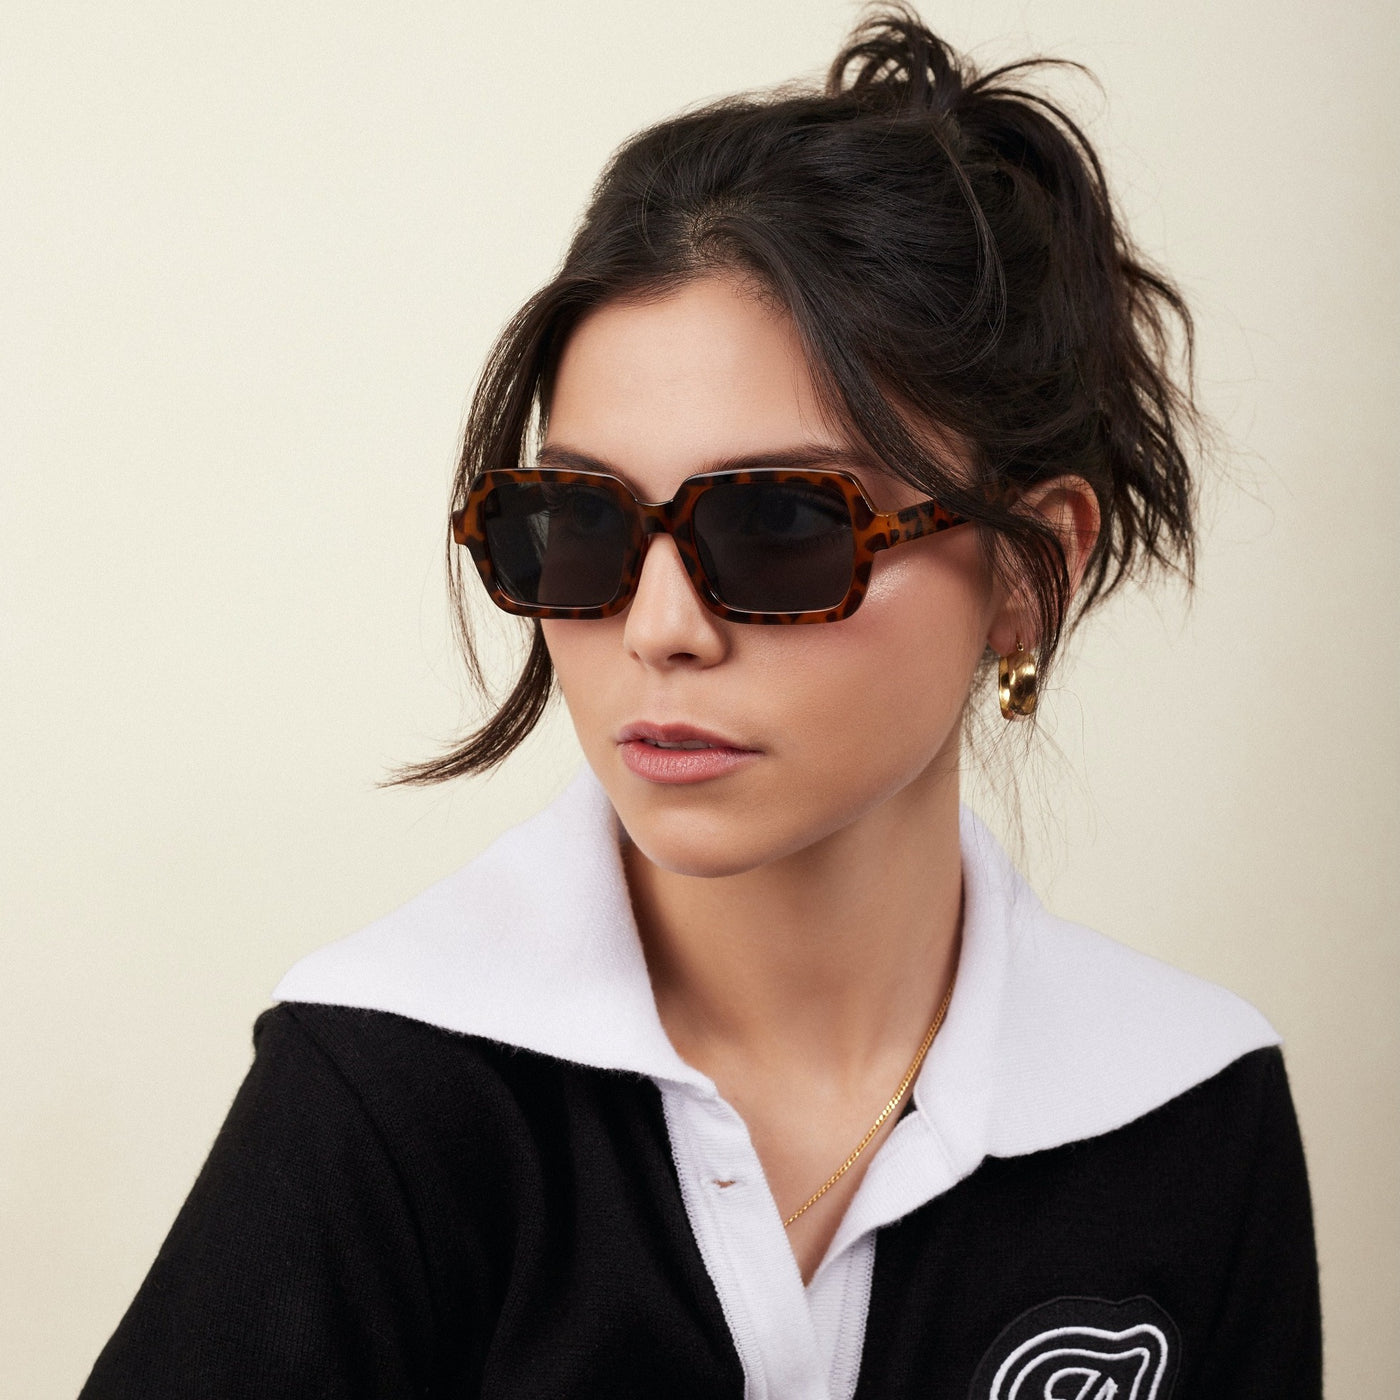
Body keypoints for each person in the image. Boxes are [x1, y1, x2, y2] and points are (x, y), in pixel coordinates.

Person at [80, 7, 1321, 1397]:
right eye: (580, 525)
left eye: (781, 522)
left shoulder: (1185, 1102)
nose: (658, 629)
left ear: (1030, 570)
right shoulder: (385, 1088)